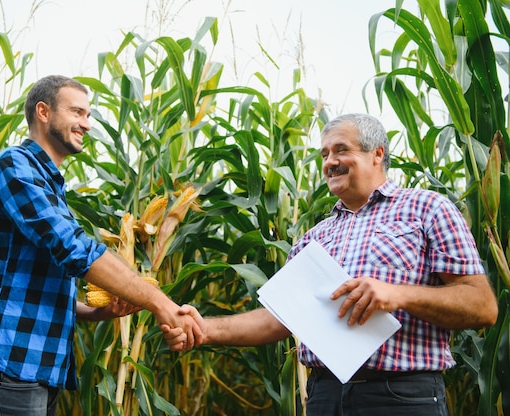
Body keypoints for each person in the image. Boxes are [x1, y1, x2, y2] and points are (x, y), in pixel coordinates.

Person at [163, 113, 498, 416]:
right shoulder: (314, 237)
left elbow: (481, 306)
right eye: (324, 154)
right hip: (324, 396)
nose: (330, 162)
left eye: (341, 150)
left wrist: (397, 295)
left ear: (377, 153)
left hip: (401, 396)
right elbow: (280, 320)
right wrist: (206, 329)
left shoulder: (427, 209)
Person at [0, 75, 202, 415]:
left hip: (32, 371)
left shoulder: (51, 190)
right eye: (77, 112)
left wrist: (100, 312)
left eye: (89, 115)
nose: (87, 124)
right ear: (43, 111)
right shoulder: (14, 166)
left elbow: (31, 293)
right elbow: (73, 248)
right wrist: (159, 302)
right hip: (4, 366)